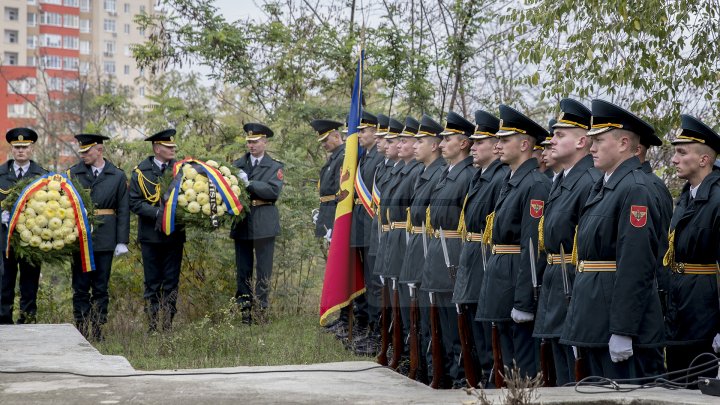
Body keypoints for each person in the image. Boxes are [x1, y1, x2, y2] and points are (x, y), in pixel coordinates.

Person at [561, 100, 665, 379]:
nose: (591, 147)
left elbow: (636, 264)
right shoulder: (605, 185)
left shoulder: (634, 189)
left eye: (599, 140)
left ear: (622, 144)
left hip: (616, 323)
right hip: (594, 318)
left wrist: (623, 329)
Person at [476, 105, 551, 378]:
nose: (498, 145)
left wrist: (524, 301)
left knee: (523, 363)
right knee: (506, 361)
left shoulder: (535, 184)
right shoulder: (512, 180)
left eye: (504, 140)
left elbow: (532, 248)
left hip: (514, 282)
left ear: (523, 144)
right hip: (500, 277)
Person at [532, 99, 599, 385]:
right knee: (558, 370)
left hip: (572, 282)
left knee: (574, 374)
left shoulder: (589, 180)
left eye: (561, 135)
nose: (553, 140)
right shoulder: (563, 179)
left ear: (582, 141)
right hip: (556, 281)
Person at [451, 109, 507, 387]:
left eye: (479, 143)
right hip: (472, 256)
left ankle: (489, 376)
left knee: (487, 328)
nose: (473, 147)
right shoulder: (480, 175)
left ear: (497, 146)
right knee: (473, 323)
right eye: (472, 142)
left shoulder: (499, 178)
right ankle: (481, 374)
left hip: (485, 258)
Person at [663, 114, 720, 384]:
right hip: (680, 311)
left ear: (704, 159)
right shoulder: (686, 197)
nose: (674, 159)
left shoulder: (717, 198)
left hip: (705, 314)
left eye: (681, 152)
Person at [422, 111, 477, 388]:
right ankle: (446, 374)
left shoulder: (468, 175)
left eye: (448, 139)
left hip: (453, 250)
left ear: (464, 144)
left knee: (458, 325)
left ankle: (461, 377)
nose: (441, 144)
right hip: (439, 250)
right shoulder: (447, 173)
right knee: (443, 323)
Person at [67, 134, 130, 341]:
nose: (83, 155)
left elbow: (123, 209)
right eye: (81, 151)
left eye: (87, 151)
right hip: (80, 239)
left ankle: (97, 329)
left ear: (99, 150)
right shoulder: (72, 173)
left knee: (101, 287)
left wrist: (122, 241)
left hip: (105, 238)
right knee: (80, 287)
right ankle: (81, 329)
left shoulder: (117, 175)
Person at [398, 115, 446, 384]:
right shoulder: (426, 172)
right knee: (418, 320)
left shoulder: (439, 173)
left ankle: (433, 372)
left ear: (435, 146)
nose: (415, 145)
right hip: (418, 247)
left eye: (421, 141)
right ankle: (422, 368)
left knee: (431, 323)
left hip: (430, 251)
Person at [378, 115, 423, 369]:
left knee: (408, 306)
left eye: (409, 141)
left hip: (407, 241)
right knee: (399, 306)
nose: (410, 145)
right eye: (406, 140)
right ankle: (402, 351)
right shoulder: (402, 169)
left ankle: (409, 356)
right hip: (394, 239)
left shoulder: (416, 171)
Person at [129, 129, 185, 332]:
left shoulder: (182, 170)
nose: (172, 149)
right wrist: (157, 214)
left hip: (174, 235)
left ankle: (168, 324)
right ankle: (152, 326)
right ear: (156, 148)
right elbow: (134, 202)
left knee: (171, 281)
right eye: (168, 147)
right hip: (150, 237)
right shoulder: (141, 172)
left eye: (173, 146)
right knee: (152, 283)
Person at [231, 123, 284, 324]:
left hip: (264, 220)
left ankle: (261, 311)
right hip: (243, 221)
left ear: (264, 142)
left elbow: (272, 191)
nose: (251, 145)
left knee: (264, 270)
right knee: (243, 270)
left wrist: (249, 184)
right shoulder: (237, 165)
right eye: (249, 142)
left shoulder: (275, 166)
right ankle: (245, 312)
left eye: (255, 141)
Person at [0, 128, 47, 324]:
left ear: (32, 149)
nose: (21, 151)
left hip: (32, 239)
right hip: (5, 239)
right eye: (17, 147)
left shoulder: (42, 175)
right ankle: (3, 321)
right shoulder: (1, 174)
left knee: (29, 283)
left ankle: (27, 320)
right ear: (12, 149)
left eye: (24, 147)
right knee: (5, 283)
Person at [345, 112, 383, 341]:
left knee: (374, 281)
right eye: (357, 131)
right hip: (359, 225)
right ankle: (367, 323)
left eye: (363, 131)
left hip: (371, 225)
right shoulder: (364, 157)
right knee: (364, 280)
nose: (358, 135)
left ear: (375, 132)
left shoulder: (379, 158)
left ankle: (376, 330)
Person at [311, 119, 346, 332]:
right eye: (321, 141)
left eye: (326, 139)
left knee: (341, 268)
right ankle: (343, 316)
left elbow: (339, 190)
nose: (324, 144)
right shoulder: (334, 157)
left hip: (335, 213)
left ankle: (346, 317)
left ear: (336, 135)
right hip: (328, 213)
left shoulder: (343, 157)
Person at [635, 130, 673, 316]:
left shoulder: (651, 186)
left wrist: (661, 288)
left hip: (651, 284)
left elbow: (661, 242)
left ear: (636, 149)